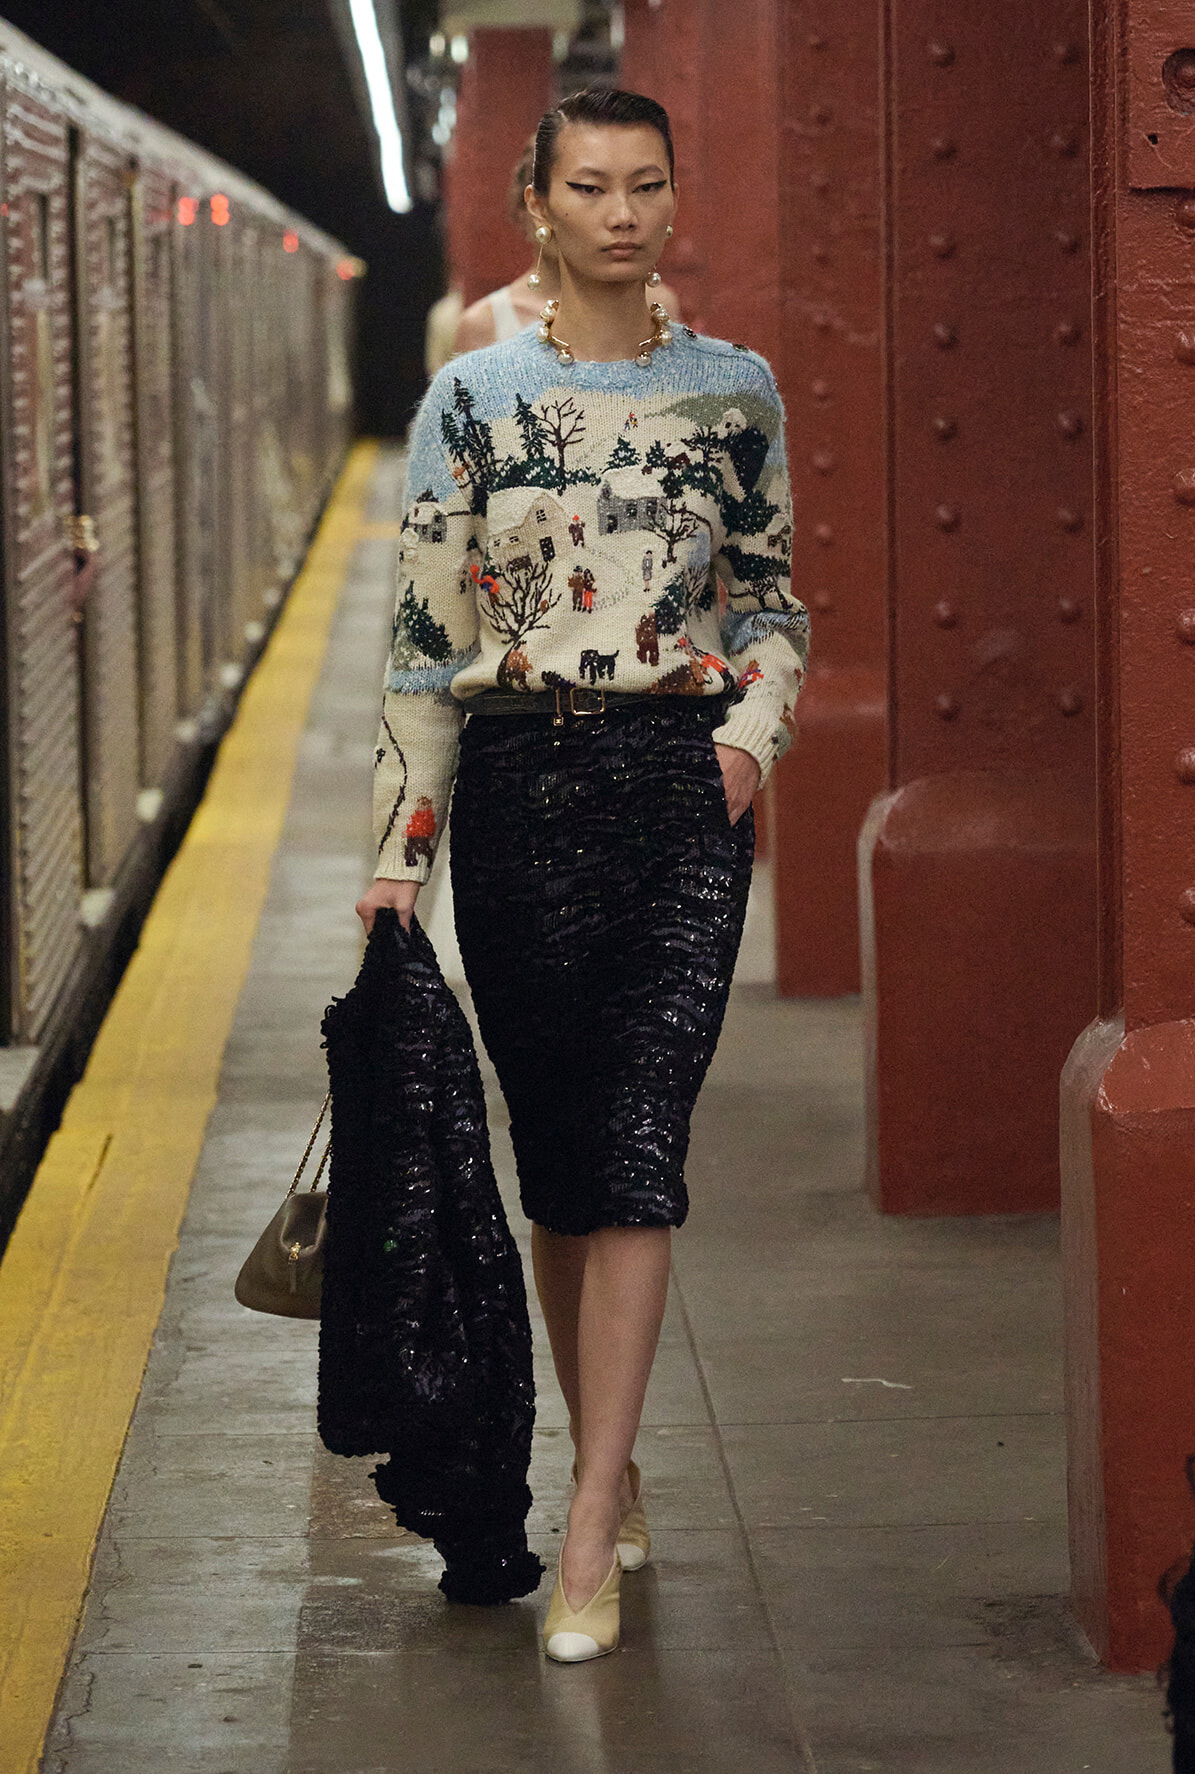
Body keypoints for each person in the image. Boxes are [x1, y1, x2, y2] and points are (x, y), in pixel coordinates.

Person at [357, 85, 809, 1663]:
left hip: (680, 797)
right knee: (559, 1160)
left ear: (675, 201)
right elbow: (426, 646)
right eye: (594, 187)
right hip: (522, 794)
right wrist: (400, 857)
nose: (624, 213)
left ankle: (594, 1512)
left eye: (648, 186)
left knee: (632, 1149)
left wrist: (748, 741)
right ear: (536, 209)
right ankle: (610, 1455)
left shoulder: (735, 390)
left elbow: (775, 607)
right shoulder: (472, 399)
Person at [453, 137, 681, 355]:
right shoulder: (484, 323)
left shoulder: (657, 305)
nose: (557, 220)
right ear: (530, 208)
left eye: (590, 192)